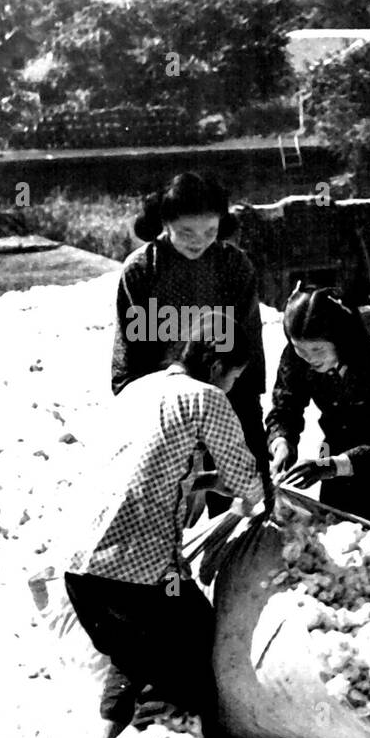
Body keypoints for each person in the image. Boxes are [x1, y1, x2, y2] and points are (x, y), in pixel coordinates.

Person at [64, 329, 267, 738]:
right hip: (140, 578)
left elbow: (148, 467)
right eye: (234, 378)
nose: (232, 388)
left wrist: (207, 483)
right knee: (190, 624)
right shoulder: (207, 398)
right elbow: (245, 481)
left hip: (82, 573)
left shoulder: (141, 389)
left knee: (133, 647)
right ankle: (155, 736)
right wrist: (260, 498)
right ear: (215, 368)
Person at [113, 172, 270, 516]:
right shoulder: (141, 269)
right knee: (167, 497)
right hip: (166, 400)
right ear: (164, 224)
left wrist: (246, 415)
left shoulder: (234, 266)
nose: (199, 241)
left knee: (241, 493)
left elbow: (247, 344)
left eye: (210, 232)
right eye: (186, 232)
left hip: (227, 391)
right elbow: (132, 351)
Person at [268, 285, 370, 537]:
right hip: (339, 437)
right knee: (335, 525)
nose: (308, 358)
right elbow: (286, 405)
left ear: (340, 340)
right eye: (300, 349)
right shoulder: (296, 357)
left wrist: (331, 466)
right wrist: (281, 442)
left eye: (318, 350)